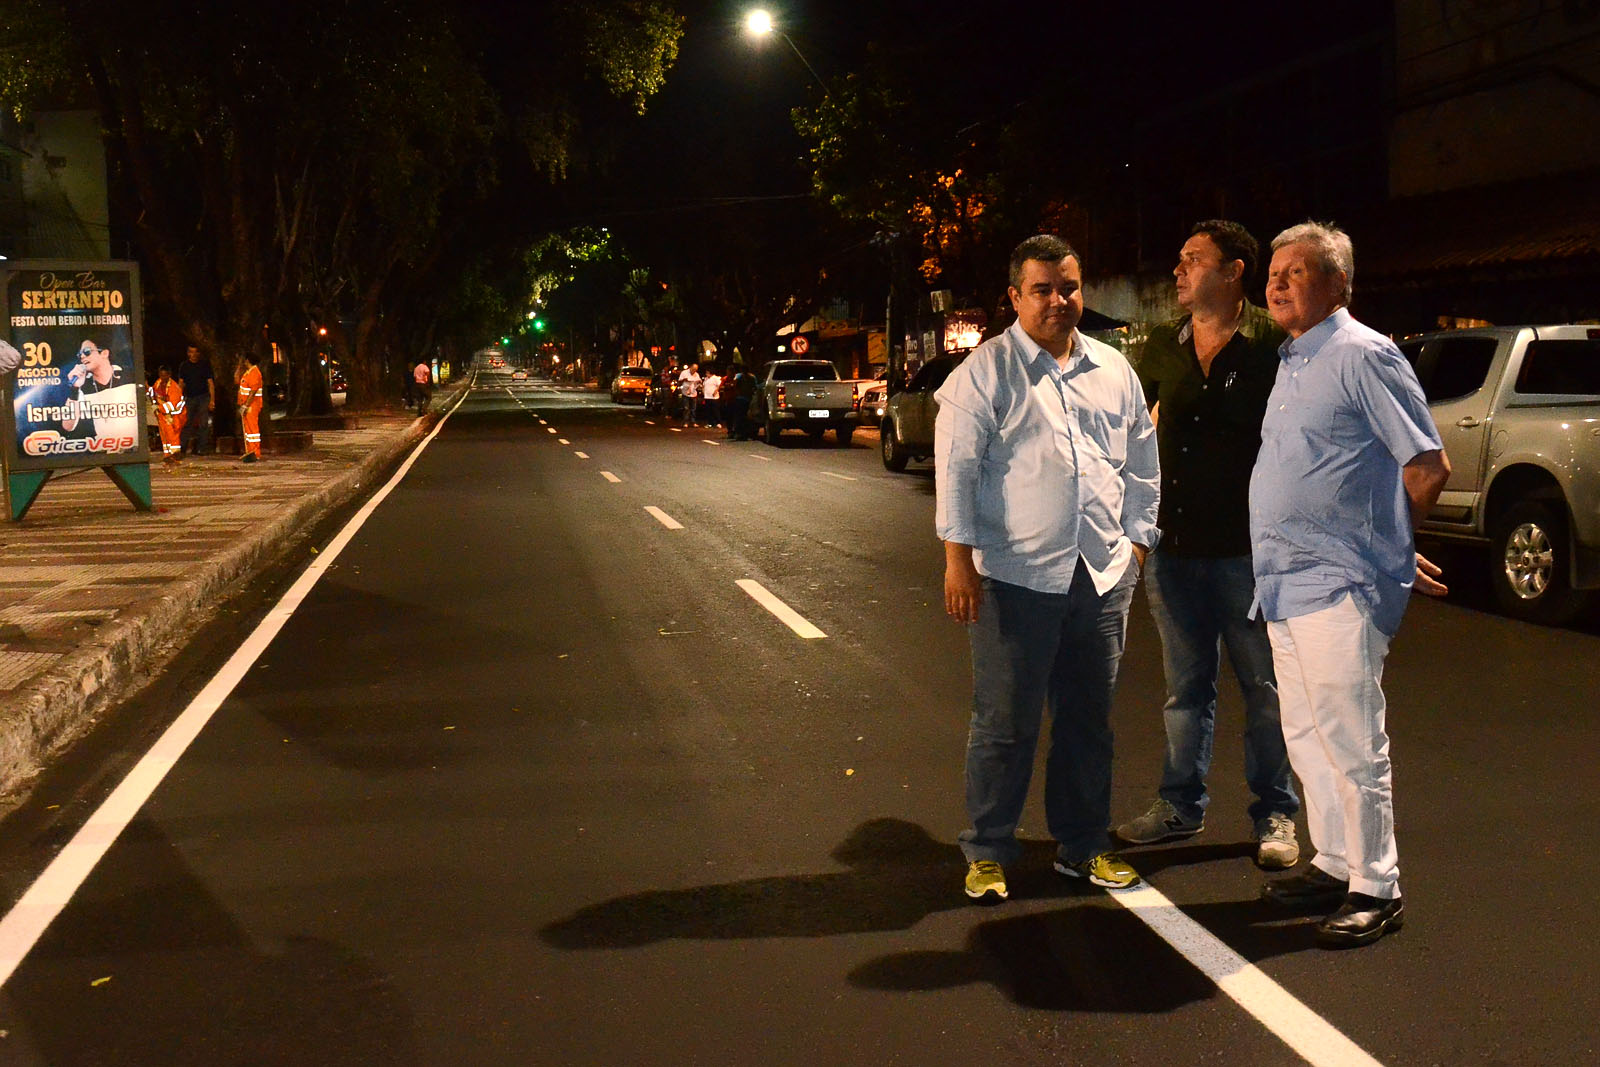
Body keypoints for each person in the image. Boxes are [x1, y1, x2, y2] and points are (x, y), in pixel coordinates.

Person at [936, 234, 1160, 903]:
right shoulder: (985, 372)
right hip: (1016, 578)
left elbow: (1143, 463)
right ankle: (987, 849)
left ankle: (1083, 845)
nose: (1058, 301)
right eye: (1042, 289)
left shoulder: (1113, 369)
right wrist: (958, 562)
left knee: (1088, 722)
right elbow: (957, 472)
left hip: (1101, 575)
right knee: (1005, 724)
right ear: (1015, 296)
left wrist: (1137, 547)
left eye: (1068, 287)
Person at [1250, 221, 1450, 948]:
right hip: (1282, 581)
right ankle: (1334, 862)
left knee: (1351, 739)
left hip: (1339, 583)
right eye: (1274, 273)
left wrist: (1389, 548)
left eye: (1296, 272)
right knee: (1307, 735)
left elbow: (1427, 464)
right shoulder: (1294, 359)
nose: (1277, 284)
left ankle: (1377, 885)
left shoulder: (1364, 354)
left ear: (1338, 282)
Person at [1115, 220, 1300, 869]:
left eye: (1193, 259)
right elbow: (1131, 433)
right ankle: (1180, 805)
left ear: (1233, 271)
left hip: (1252, 551)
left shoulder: (1276, 344)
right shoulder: (1162, 347)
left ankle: (1276, 811)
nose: (1178, 270)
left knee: (1265, 688)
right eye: (1180, 259)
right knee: (1185, 689)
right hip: (1174, 547)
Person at [176, 344, 215, 455]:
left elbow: (210, 383)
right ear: (188, 353)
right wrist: (178, 399)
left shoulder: (204, 365)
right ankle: (182, 447)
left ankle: (201, 448)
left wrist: (212, 400)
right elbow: (181, 384)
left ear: (198, 353)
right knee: (186, 422)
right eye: (191, 352)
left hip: (203, 397)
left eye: (195, 352)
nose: (193, 354)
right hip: (190, 398)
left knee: (203, 423)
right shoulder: (184, 366)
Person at [149, 364, 187, 465]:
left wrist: (159, 407)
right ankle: (167, 456)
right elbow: (154, 394)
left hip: (175, 415)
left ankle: (175, 456)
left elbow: (173, 404)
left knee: (173, 436)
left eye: (165, 375)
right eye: (161, 375)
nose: (163, 377)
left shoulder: (174, 387)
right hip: (163, 415)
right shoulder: (158, 383)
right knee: (165, 436)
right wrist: (155, 405)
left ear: (169, 375)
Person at [236, 352, 265, 463]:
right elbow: (236, 380)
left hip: (252, 405)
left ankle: (255, 452)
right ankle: (250, 451)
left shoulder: (254, 373)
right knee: (248, 430)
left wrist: (246, 405)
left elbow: (253, 392)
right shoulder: (248, 372)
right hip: (247, 405)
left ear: (247, 360)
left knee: (253, 430)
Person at [678, 361, 702, 426]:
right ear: (690, 367)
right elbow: (679, 381)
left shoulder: (696, 374)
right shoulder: (684, 372)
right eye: (693, 369)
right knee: (686, 408)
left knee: (693, 408)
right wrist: (684, 380)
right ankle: (686, 422)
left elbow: (699, 381)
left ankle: (693, 421)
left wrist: (699, 382)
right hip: (685, 392)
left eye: (695, 370)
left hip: (693, 393)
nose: (694, 371)